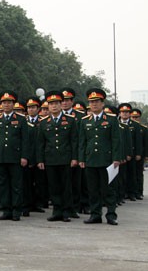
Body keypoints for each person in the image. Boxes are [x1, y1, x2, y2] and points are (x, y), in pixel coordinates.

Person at [79, 88, 121, 225]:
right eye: (91, 102)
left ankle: (111, 215)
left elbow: (116, 140)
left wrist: (116, 158)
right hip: (90, 159)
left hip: (107, 160)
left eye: (97, 101)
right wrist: (81, 159)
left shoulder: (111, 119)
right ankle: (95, 214)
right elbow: (82, 142)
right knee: (92, 189)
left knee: (109, 189)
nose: (94, 104)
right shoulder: (85, 120)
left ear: (102, 103)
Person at [36, 91, 78, 222]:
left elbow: (74, 141)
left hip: (66, 158)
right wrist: (40, 160)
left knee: (66, 186)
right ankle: (57, 211)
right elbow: (40, 143)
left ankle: (66, 211)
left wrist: (74, 158)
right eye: (51, 104)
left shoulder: (70, 120)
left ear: (61, 105)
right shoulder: (43, 122)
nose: (54, 106)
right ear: (48, 106)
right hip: (50, 159)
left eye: (56, 103)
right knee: (53, 186)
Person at [0, 91, 29, 221]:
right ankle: (6, 210)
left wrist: (24, 156)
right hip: (0, 156)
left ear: (13, 104)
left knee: (16, 185)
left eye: (9, 102)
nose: (6, 105)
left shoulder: (21, 119)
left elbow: (25, 140)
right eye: (4, 102)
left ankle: (16, 211)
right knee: (3, 185)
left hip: (16, 156)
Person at [61, 87, 86, 217]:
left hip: (76, 154)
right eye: (63, 100)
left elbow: (81, 139)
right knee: (63, 183)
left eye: (67, 100)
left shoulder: (81, 116)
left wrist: (78, 157)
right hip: (61, 155)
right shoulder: (56, 116)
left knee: (76, 183)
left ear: (72, 101)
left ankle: (75, 207)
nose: (65, 103)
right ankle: (64, 206)